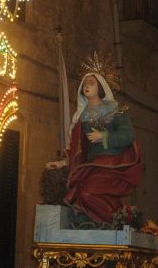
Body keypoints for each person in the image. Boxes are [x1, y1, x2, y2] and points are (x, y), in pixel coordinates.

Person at [64, 72, 141, 225]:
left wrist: (103, 136)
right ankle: (108, 221)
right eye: (85, 83)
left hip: (112, 164)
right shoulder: (81, 117)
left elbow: (128, 135)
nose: (86, 86)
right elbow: (76, 147)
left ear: (100, 87)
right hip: (92, 165)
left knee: (87, 193)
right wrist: (64, 161)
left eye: (91, 83)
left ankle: (114, 222)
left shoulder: (114, 109)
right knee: (80, 193)